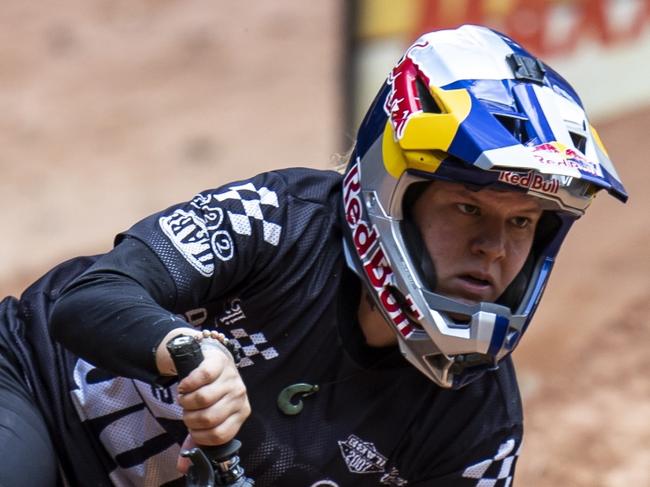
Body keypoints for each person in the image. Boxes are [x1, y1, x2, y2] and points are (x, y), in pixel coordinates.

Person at [0, 24, 627, 486]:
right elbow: (91, 298)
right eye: (468, 208)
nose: (494, 247)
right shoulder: (278, 219)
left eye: (523, 222)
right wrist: (186, 350)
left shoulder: (481, 421)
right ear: (395, 193)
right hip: (38, 399)